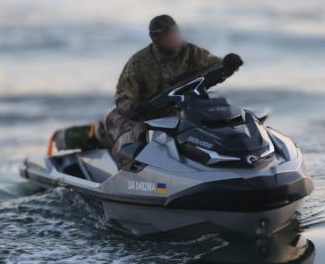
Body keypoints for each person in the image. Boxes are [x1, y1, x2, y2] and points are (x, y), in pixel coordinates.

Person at [100, 15, 243, 163]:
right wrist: (137, 108)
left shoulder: (191, 52)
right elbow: (122, 97)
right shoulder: (138, 63)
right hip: (152, 118)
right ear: (155, 39)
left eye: (175, 33)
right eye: (168, 36)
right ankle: (139, 174)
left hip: (189, 112)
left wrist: (228, 66)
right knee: (139, 142)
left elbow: (215, 67)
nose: (175, 39)